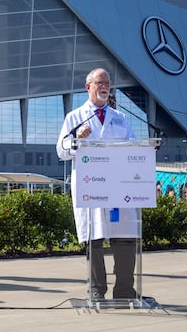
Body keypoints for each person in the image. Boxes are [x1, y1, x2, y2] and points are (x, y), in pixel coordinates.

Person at [56, 68, 141, 300]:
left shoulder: (120, 118)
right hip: (91, 184)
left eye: (107, 83)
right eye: (100, 83)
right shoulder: (74, 117)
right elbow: (61, 151)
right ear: (88, 87)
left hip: (118, 184)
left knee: (125, 233)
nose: (105, 87)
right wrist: (76, 140)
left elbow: (133, 146)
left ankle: (125, 289)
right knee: (94, 235)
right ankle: (96, 289)